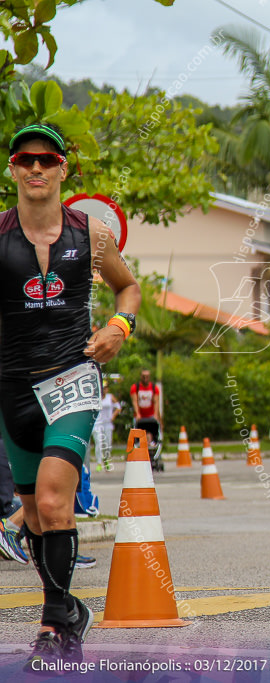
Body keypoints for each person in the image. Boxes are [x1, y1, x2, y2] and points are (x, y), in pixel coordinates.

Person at [2, 122, 140, 668]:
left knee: (57, 500)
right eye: (25, 159)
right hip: (12, 387)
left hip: (71, 377)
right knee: (36, 515)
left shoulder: (92, 235)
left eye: (47, 159)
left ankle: (54, 624)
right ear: (12, 168)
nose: (36, 168)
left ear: (63, 169)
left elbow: (127, 288)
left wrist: (119, 327)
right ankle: (66, 611)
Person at [91, 382, 120, 472]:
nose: (104, 390)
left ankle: (106, 459)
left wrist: (113, 416)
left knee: (108, 444)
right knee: (99, 443)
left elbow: (118, 407)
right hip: (97, 424)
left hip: (107, 423)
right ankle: (99, 462)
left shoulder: (110, 397)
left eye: (105, 388)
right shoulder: (95, 398)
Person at [130, 368, 161, 446]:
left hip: (150, 415)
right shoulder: (135, 387)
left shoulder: (154, 388)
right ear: (141, 376)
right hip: (140, 416)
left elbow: (156, 402)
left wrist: (156, 414)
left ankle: (153, 442)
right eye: (143, 376)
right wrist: (137, 414)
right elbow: (135, 401)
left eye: (147, 376)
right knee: (138, 430)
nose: (145, 378)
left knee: (153, 429)